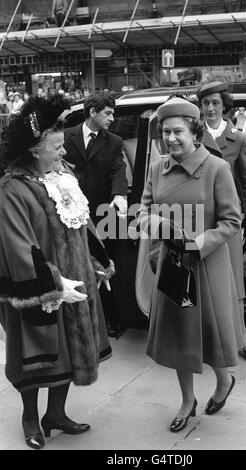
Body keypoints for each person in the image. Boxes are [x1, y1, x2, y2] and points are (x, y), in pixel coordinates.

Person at [0, 93, 113, 450]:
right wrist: (52, 284)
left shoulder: (62, 176)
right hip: (42, 288)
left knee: (70, 351)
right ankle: (31, 418)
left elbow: (82, 225)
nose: (64, 153)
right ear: (34, 150)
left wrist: (98, 261)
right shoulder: (11, 189)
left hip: (76, 283)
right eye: (56, 147)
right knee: (38, 356)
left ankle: (56, 414)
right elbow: (17, 245)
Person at [135, 97, 243, 433]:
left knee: (211, 336)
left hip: (206, 266)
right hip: (173, 264)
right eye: (165, 132)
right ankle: (187, 400)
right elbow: (142, 211)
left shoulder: (216, 168)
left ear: (194, 131)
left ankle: (224, 382)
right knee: (180, 336)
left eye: (177, 131)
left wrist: (199, 243)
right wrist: (158, 227)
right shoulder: (157, 169)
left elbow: (231, 221)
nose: (170, 139)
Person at [197, 81, 246, 361]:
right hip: (199, 217)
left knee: (234, 277)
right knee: (203, 278)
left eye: (216, 103)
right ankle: (207, 336)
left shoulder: (238, 138)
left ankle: (241, 332)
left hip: (228, 218)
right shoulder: (193, 134)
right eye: (206, 103)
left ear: (225, 106)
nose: (210, 108)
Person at [64, 91, 128, 337]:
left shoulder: (113, 141)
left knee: (103, 267)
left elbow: (118, 170)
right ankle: (79, 320)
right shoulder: (67, 137)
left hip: (102, 215)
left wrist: (119, 195)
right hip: (70, 214)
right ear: (93, 112)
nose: (112, 118)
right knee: (75, 266)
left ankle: (108, 321)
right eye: (108, 113)